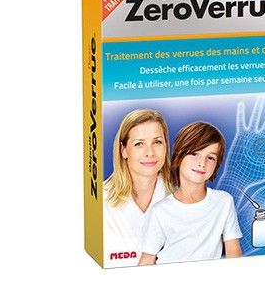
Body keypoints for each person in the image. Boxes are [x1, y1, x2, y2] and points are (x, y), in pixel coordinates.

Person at [139, 122, 242, 265]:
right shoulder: (159, 212)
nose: (202, 163)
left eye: (210, 157)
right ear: (179, 156)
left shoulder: (224, 202)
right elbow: (147, 259)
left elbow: (233, 250)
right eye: (194, 154)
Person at [103, 109, 171, 267]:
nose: (150, 153)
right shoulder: (101, 200)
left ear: (166, 146)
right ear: (124, 150)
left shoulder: (181, 194)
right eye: (139, 144)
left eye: (157, 142)